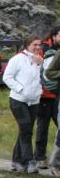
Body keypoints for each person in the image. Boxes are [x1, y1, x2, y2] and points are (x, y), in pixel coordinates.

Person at [3, 34, 43, 173]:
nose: (38, 47)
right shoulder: (18, 59)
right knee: (26, 130)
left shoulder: (39, 60)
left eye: (39, 44)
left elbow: (41, 78)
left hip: (34, 100)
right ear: (27, 45)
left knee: (25, 130)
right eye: (35, 45)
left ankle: (16, 161)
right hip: (18, 100)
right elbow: (7, 77)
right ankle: (29, 161)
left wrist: (39, 65)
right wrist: (20, 89)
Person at [35, 28, 60, 168]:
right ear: (54, 36)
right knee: (43, 127)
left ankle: (55, 160)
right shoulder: (45, 49)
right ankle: (40, 157)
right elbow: (43, 72)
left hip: (57, 94)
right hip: (45, 95)